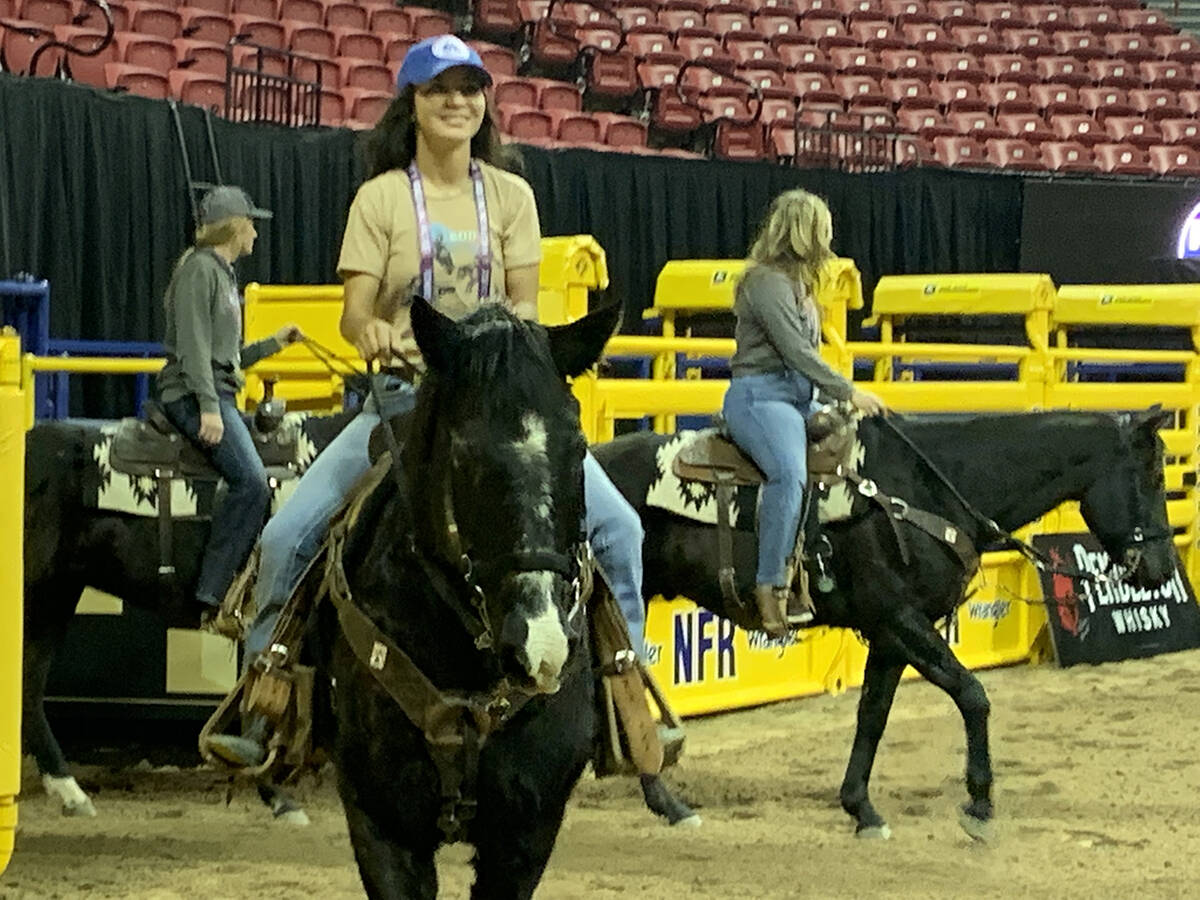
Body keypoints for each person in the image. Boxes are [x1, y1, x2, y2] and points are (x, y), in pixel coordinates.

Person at [206, 35, 648, 767]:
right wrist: (375, 331)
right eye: (440, 89)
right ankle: (264, 697)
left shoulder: (512, 196)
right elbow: (353, 315)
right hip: (402, 401)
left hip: (493, 405)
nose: (456, 102)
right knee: (288, 536)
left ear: (484, 105)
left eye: (469, 89)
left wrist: (494, 347)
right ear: (411, 102)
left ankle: (623, 699)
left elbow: (525, 307)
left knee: (620, 531)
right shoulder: (380, 199)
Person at [722, 189, 886, 638]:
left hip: (796, 398)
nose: (829, 239)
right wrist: (848, 392)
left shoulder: (799, 288)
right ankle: (770, 584)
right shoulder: (765, 283)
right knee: (789, 474)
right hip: (761, 397)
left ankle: (823, 561)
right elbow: (796, 351)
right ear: (804, 232)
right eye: (823, 229)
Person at [156, 185, 303, 624]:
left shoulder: (221, 274)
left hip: (215, 391)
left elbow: (226, 357)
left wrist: (275, 344)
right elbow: (194, 350)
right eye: (251, 224)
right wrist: (208, 406)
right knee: (252, 483)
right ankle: (214, 593)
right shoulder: (199, 270)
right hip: (191, 394)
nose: (255, 233)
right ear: (235, 227)